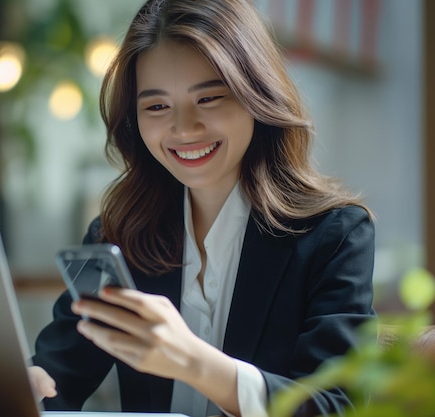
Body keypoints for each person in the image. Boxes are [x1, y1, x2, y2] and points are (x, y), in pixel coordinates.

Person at [29, 0, 376, 416]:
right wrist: (28, 385)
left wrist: (195, 363)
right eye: (156, 106)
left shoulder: (335, 236)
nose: (183, 128)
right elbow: (56, 378)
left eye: (209, 98)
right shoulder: (119, 235)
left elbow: (336, 406)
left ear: (256, 95)